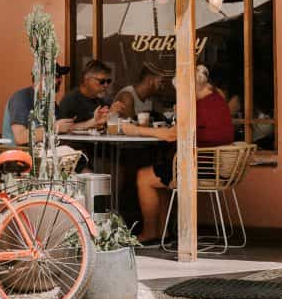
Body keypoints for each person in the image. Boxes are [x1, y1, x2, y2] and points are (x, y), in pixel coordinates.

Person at [121, 64, 235, 243]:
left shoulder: (197, 107)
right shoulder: (217, 99)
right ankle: (163, 232)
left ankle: (149, 232)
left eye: (181, 90)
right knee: (160, 175)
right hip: (215, 165)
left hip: (200, 167)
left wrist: (135, 130)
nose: (180, 95)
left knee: (143, 176)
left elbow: (171, 135)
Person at [4, 62, 69, 146]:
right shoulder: (21, 98)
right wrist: (55, 128)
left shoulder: (49, 101)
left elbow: (60, 126)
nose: (61, 80)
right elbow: (20, 138)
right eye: (57, 76)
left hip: (44, 151)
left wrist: (80, 125)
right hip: (20, 153)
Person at [57, 59, 119, 131]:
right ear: (86, 80)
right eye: (102, 81)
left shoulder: (102, 102)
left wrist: (111, 114)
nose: (106, 85)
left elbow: (107, 128)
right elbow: (61, 130)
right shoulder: (70, 101)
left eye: (108, 81)